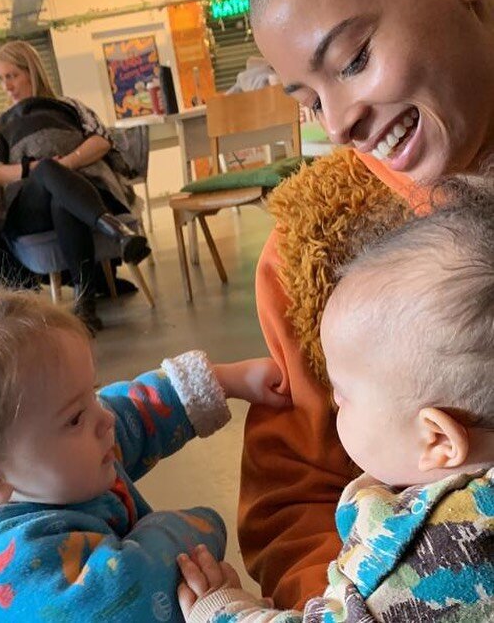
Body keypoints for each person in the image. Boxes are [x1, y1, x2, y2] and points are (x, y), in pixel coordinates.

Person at [238, 0, 494, 608]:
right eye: (309, 99)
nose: (336, 124)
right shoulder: (309, 252)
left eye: (354, 61)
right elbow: (292, 499)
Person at [177, 179, 494, 622]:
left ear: (437, 439)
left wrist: (222, 610)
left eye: (342, 396)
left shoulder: (422, 561)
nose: (331, 403)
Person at [0, 283, 290, 622]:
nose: (105, 419)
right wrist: (198, 526)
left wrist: (225, 380)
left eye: (92, 393)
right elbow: (132, 587)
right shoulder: (15, 566)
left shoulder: (38, 468)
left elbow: (132, 413)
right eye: (75, 417)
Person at [0, 40, 151, 332]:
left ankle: (84, 304)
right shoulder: (0, 124)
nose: (6, 86)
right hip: (30, 203)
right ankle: (116, 231)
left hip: (79, 190)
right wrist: (35, 168)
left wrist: (64, 165)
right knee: (46, 171)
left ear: (30, 71)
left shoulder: (70, 106)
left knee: (62, 201)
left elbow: (102, 140)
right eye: (1, 78)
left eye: (12, 76)